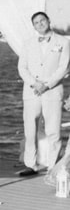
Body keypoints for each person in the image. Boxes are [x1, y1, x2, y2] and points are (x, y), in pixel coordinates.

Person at [17, 11, 70, 176]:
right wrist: (35, 83)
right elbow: (22, 68)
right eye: (36, 23)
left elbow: (64, 67)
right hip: (32, 91)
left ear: (49, 20)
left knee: (53, 130)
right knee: (30, 129)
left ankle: (52, 166)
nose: (40, 24)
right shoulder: (27, 43)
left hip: (52, 91)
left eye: (42, 21)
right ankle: (30, 164)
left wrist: (47, 85)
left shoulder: (63, 42)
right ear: (33, 26)